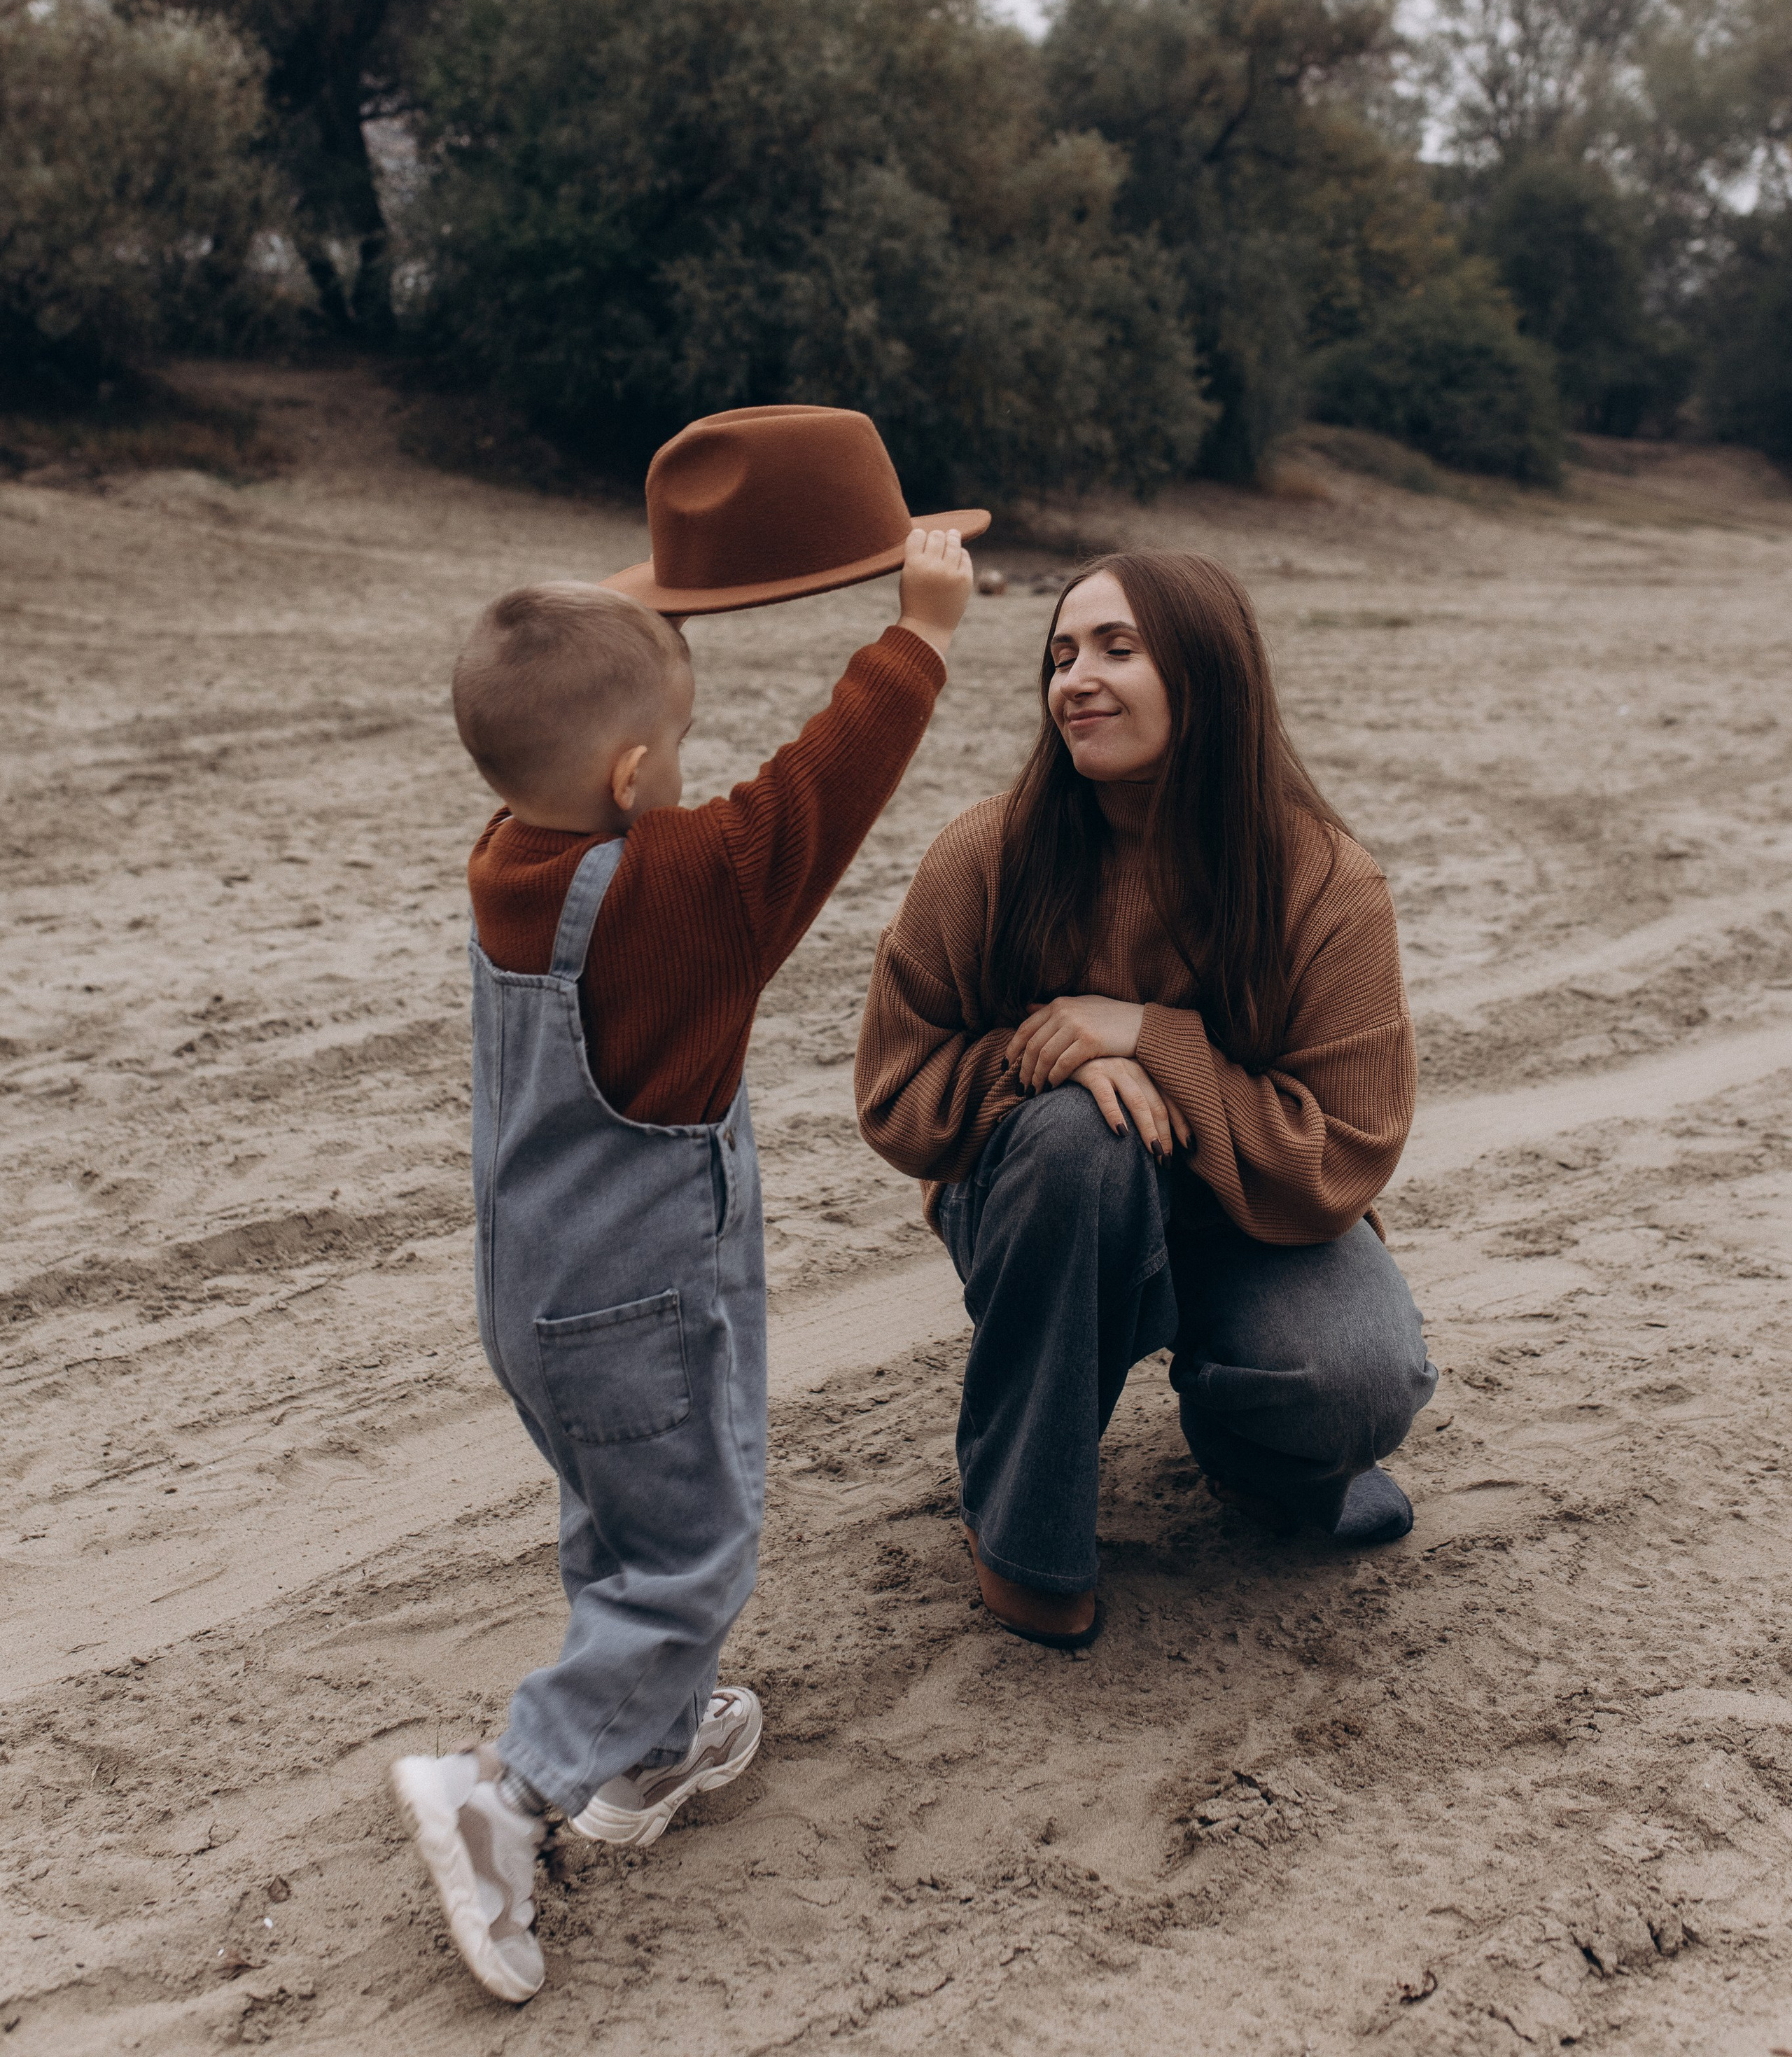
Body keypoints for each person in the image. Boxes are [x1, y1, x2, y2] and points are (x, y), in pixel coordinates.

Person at [393, 404, 981, 2003]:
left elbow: (566, 709)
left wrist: (652, 611)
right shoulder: (678, 895)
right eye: (676, 750)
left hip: (531, 1292)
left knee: (622, 1523)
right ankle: (506, 1790)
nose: (694, 773)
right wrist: (917, 637)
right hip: (643, 1295)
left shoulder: (509, 857)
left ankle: (650, 1749)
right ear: (635, 774)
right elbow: (813, 797)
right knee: (692, 1557)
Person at [854, 548, 1433, 1650]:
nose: (1076, 679)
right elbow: (897, 1090)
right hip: (1045, 1208)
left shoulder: (1326, 882)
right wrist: (1048, 1061)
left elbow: (1342, 1156)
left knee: (1361, 1382)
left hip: (1247, 1219)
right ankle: (1021, 1529)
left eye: (1117, 650)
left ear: (1209, 674)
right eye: (1061, 655)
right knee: (1084, 1139)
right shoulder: (985, 853)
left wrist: (1150, 1038)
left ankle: (1245, 1445)